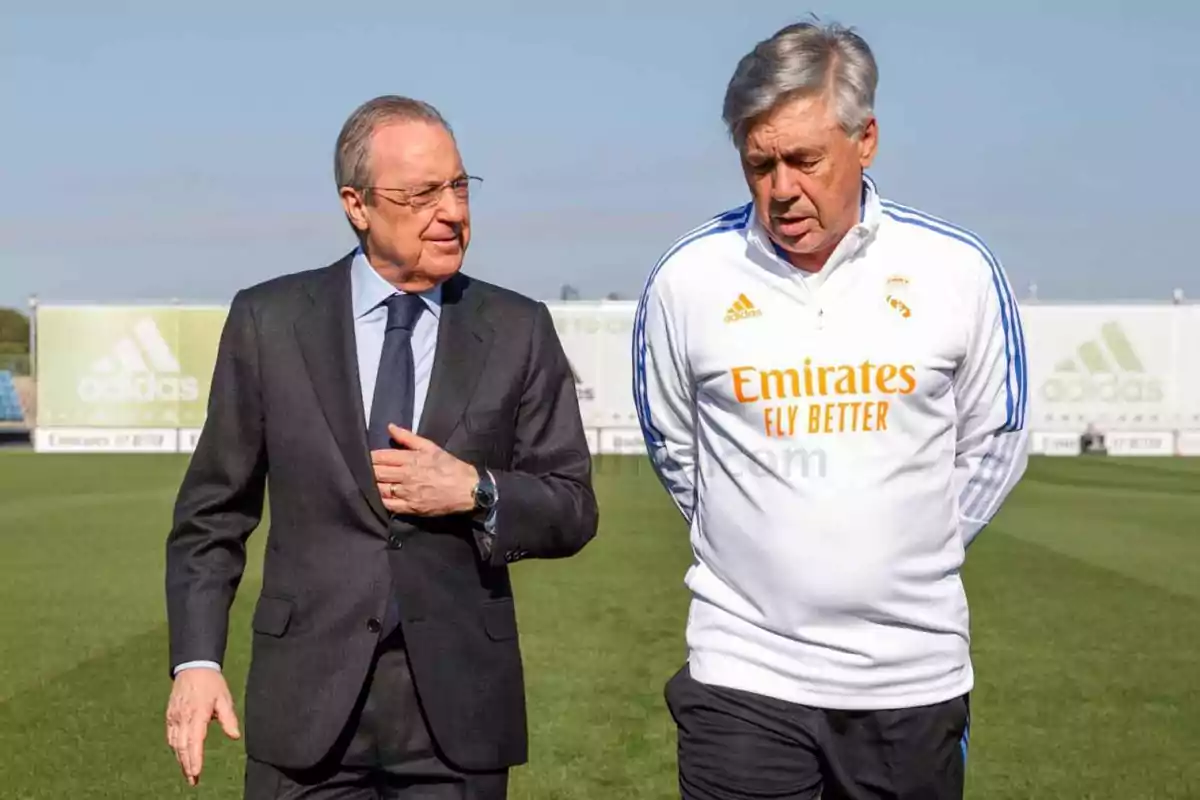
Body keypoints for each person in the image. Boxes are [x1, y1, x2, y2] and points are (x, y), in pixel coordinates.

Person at [635, 19, 1029, 800]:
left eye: (804, 160)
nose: (782, 189)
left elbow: (998, 441)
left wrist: (906, 549)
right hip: (742, 672)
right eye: (759, 164)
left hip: (911, 679)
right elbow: (675, 446)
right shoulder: (688, 279)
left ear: (866, 139)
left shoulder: (957, 270)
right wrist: (761, 549)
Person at [164, 95, 598, 800]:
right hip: (304, 711)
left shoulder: (518, 328)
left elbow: (574, 507)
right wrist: (195, 662)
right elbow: (212, 515)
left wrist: (478, 492)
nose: (453, 211)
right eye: (422, 193)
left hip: (457, 722)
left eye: (459, 186)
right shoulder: (268, 322)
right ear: (356, 205)